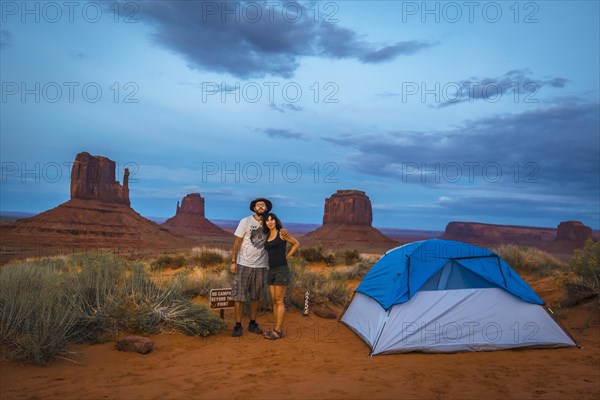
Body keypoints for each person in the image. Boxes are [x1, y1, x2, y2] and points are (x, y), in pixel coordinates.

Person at [230, 198, 272, 337]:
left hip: (261, 266)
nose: (260, 207)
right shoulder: (245, 221)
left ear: (266, 208)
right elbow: (237, 242)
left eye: (263, 205)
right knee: (239, 296)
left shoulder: (269, 222)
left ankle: (253, 323)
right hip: (243, 264)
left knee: (256, 296)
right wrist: (233, 261)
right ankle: (237, 325)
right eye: (258, 205)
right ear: (254, 208)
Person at [262, 212, 299, 340]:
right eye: (267, 220)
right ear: (265, 223)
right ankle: (276, 328)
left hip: (281, 270)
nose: (270, 222)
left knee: (279, 300)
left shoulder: (282, 233)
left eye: (272, 219)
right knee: (274, 301)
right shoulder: (267, 235)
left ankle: (278, 330)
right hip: (271, 270)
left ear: (276, 221)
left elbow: (296, 244)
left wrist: (287, 257)